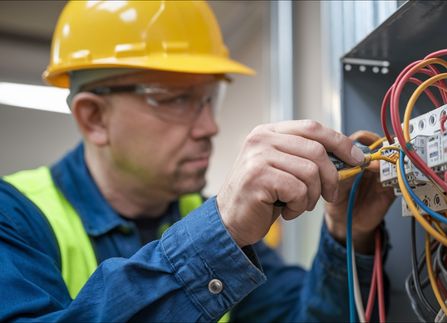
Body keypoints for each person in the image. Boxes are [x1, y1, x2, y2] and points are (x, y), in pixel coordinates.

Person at [0, 1, 394, 321]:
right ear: (94, 117)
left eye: (209, 98)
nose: (209, 126)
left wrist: (347, 235)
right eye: (175, 99)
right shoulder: (14, 215)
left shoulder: (200, 214)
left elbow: (298, 317)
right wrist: (216, 236)